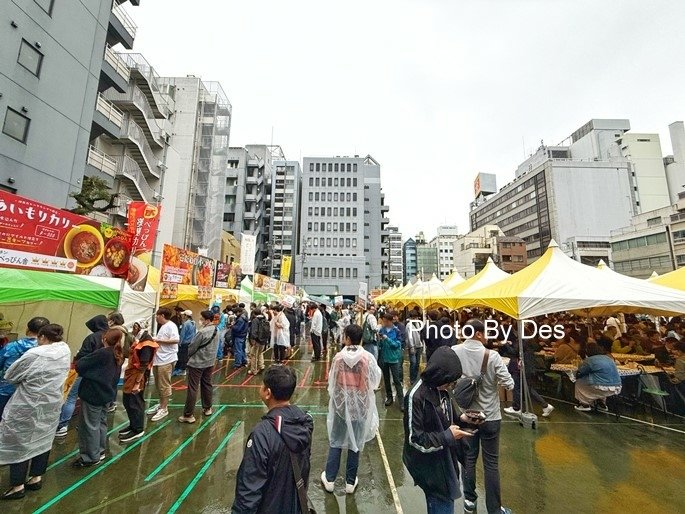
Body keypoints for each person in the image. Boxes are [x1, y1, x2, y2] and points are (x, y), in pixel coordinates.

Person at [403, 346, 480, 514]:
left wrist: (464, 419)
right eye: (449, 382)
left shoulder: (441, 388)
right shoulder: (415, 396)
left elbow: (448, 414)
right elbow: (415, 440)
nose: (451, 386)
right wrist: (447, 436)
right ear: (439, 376)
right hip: (431, 468)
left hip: (445, 460)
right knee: (442, 504)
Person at [0, 324, 70, 500]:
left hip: (27, 405)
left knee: (20, 443)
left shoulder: (34, 354)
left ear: (42, 337)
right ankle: (36, 478)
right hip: (51, 404)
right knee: (43, 439)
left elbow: (10, 375)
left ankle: (17, 486)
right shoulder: (64, 350)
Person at [232, 366, 314, 513]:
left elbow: (249, 489)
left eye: (262, 385)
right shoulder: (304, 423)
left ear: (268, 392)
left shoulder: (262, 434)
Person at [452, 319, 514, 514]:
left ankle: (469, 501)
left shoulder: (455, 351)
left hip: (465, 416)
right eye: (485, 332)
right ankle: (494, 509)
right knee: (491, 464)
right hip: (490, 416)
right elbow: (509, 384)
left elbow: (449, 378)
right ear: (478, 334)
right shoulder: (493, 356)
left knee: (469, 459)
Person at [321, 324, 381, 494]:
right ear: (361, 338)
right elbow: (375, 381)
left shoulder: (338, 358)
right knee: (355, 442)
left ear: (347, 338)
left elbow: (331, 384)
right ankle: (349, 481)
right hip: (360, 408)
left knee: (336, 440)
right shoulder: (367, 357)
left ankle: (330, 479)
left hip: (341, 406)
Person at [72, 329, 124, 468]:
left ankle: (90, 457)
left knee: (89, 425)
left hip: (93, 393)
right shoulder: (117, 353)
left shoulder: (102, 353)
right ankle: (99, 451)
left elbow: (80, 365)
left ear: (105, 339)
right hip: (107, 393)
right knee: (100, 423)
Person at [56, 314, 110, 436]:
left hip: (86, 372)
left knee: (71, 397)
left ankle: (63, 425)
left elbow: (83, 356)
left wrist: (79, 358)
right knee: (98, 410)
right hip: (104, 376)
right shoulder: (111, 336)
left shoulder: (92, 338)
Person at [0, 316, 50, 418]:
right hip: (31, 393)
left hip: (6, 389)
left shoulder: (11, 347)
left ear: (27, 329)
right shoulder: (49, 351)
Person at [178, 311, 221, 423]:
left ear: (207, 320)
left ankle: (188, 415)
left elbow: (192, 347)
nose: (200, 320)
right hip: (210, 362)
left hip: (197, 363)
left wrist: (188, 356)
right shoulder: (217, 330)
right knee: (207, 384)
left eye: (202, 318)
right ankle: (207, 408)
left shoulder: (202, 332)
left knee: (193, 388)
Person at [120, 330, 158, 443]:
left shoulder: (146, 344)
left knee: (135, 402)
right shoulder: (140, 340)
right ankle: (133, 425)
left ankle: (138, 429)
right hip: (132, 374)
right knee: (127, 401)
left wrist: (137, 382)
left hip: (137, 376)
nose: (133, 330)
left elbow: (144, 364)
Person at [502, 335, 554, 418]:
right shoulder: (530, 342)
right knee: (528, 389)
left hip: (522, 369)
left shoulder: (523, 342)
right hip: (528, 369)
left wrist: (506, 345)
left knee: (517, 387)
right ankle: (545, 406)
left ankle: (516, 408)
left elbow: (515, 352)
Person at [146, 308, 179, 422]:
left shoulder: (171, 326)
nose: (156, 318)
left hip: (167, 359)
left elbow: (176, 340)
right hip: (159, 359)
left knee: (164, 384)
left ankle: (164, 408)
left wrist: (158, 341)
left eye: (157, 315)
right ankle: (161, 405)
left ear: (162, 315)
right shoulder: (164, 326)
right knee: (159, 384)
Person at [574, 339, 622, 412]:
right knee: (600, 381)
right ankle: (601, 403)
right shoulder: (608, 358)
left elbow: (581, 372)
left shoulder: (590, 360)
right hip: (616, 386)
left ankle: (584, 404)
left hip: (600, 386)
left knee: (580, 382)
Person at [379, 313, 404, 411]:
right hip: (384, 358)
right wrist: (380, 340)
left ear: (390, 321)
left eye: (385, 321)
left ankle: (401, 401)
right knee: (386, 379)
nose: (384, 323)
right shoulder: (382, 330)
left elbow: (397, 345)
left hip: (394, 359)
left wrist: (387, 339)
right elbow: (380, 344)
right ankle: (389, 397)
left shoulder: (397, 331)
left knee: (397, 380)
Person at [174, 310, 196, 377]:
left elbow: (182, 334)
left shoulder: (186, 324)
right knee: (186, 356)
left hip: (184, 343)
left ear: (186, 316)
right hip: (190, 342)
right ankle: (184, 369)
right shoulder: (193, 322)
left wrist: (179, 342)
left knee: (181, 357)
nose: (182, 316)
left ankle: (182, 370)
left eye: (183, 315)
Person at [249, 308, 271, 372]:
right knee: (260, 353)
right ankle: (261, 366)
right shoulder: (265, 319)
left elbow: (254, 331)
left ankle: (253, 370)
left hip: (257, 340)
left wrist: (253, 340)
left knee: (253, 355)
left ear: (254, 313)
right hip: (263, 340)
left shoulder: (255, 320)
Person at [406, 310, 424, 384]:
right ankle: (412, 379)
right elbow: (409, 337)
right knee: (413, 363)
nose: (415, 319)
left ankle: (416, 378)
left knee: (417, 363)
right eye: (413, 317)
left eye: (416, 317)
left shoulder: (418, 323)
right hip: (413, 346)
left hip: (419, 346)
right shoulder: (408, 325)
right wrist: (411, 346)